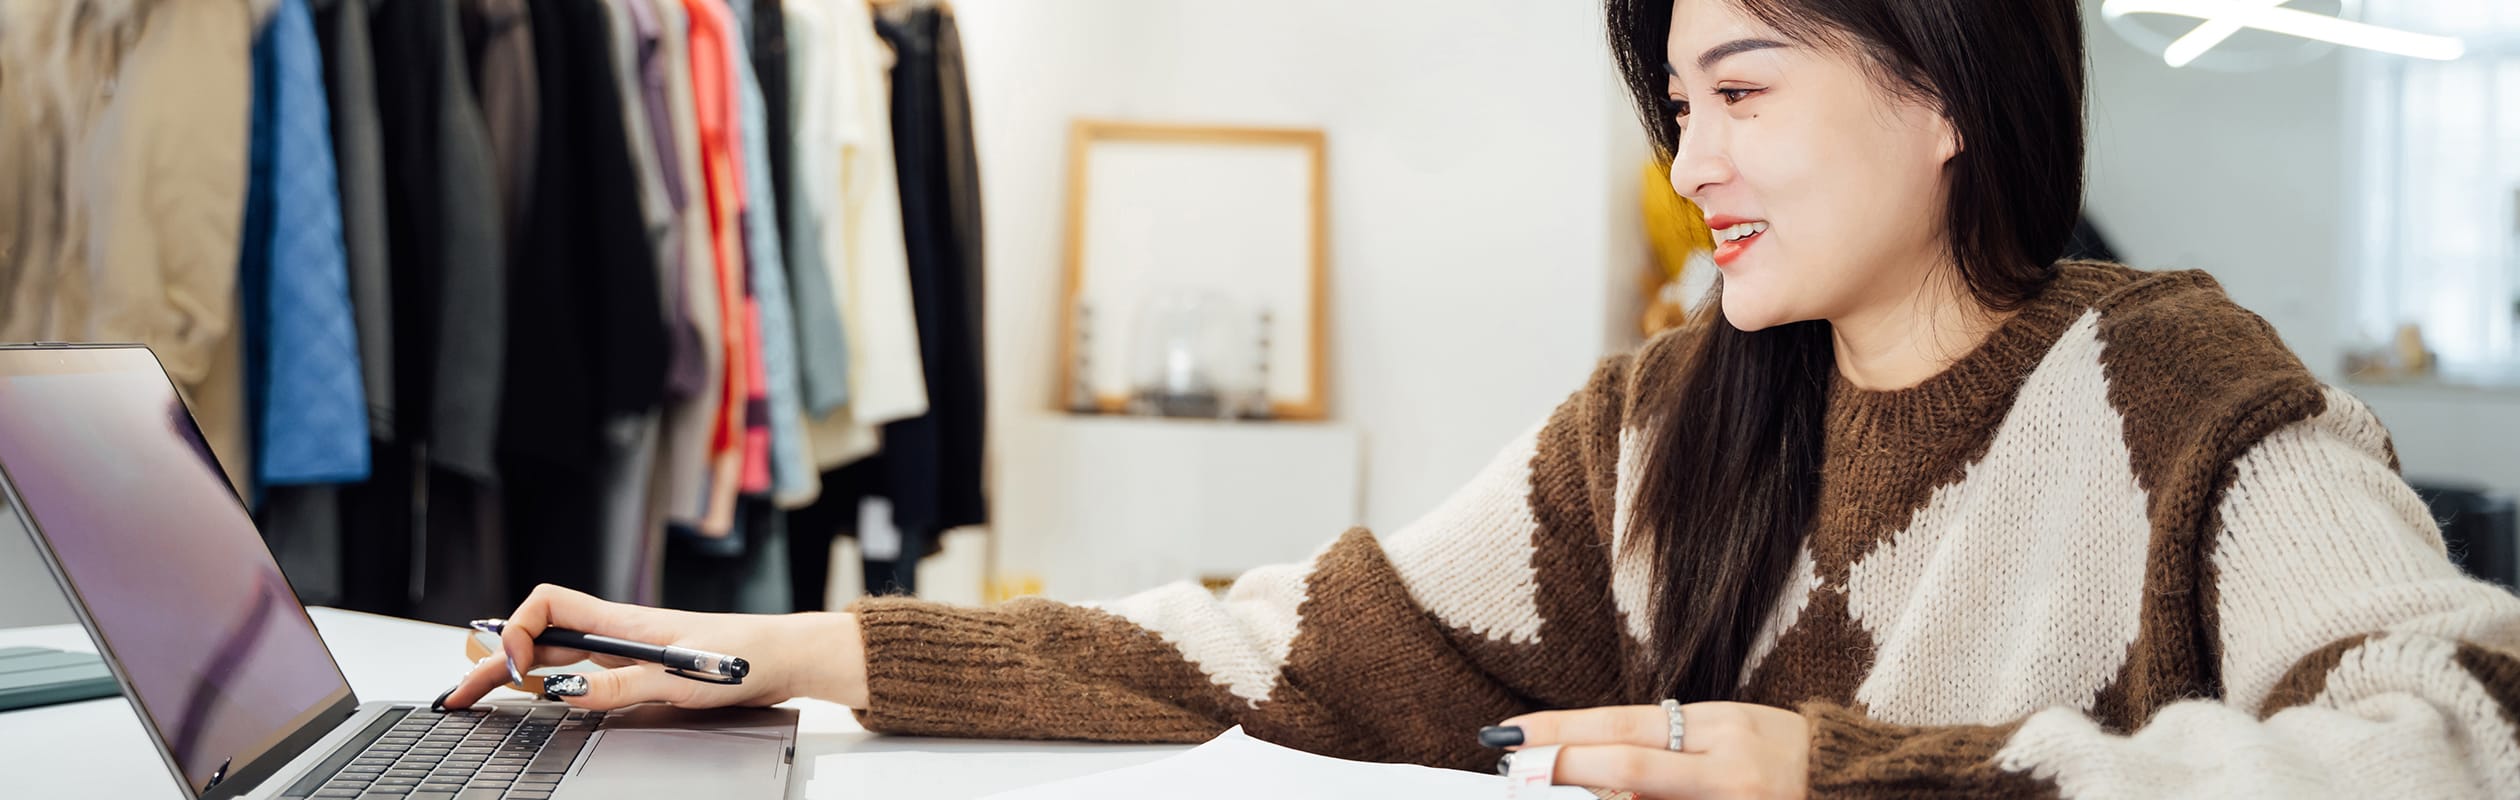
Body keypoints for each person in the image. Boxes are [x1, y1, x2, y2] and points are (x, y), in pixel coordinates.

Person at [445, 0, 2520, 795]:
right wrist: (774, 653)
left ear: (1947, 83)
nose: (1690, 160)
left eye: (1741, 90)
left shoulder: (2173, 386)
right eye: (1673, 101)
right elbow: (1271, 644)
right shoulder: (1668, 421)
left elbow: (2455, 735)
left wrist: (1841, 777)